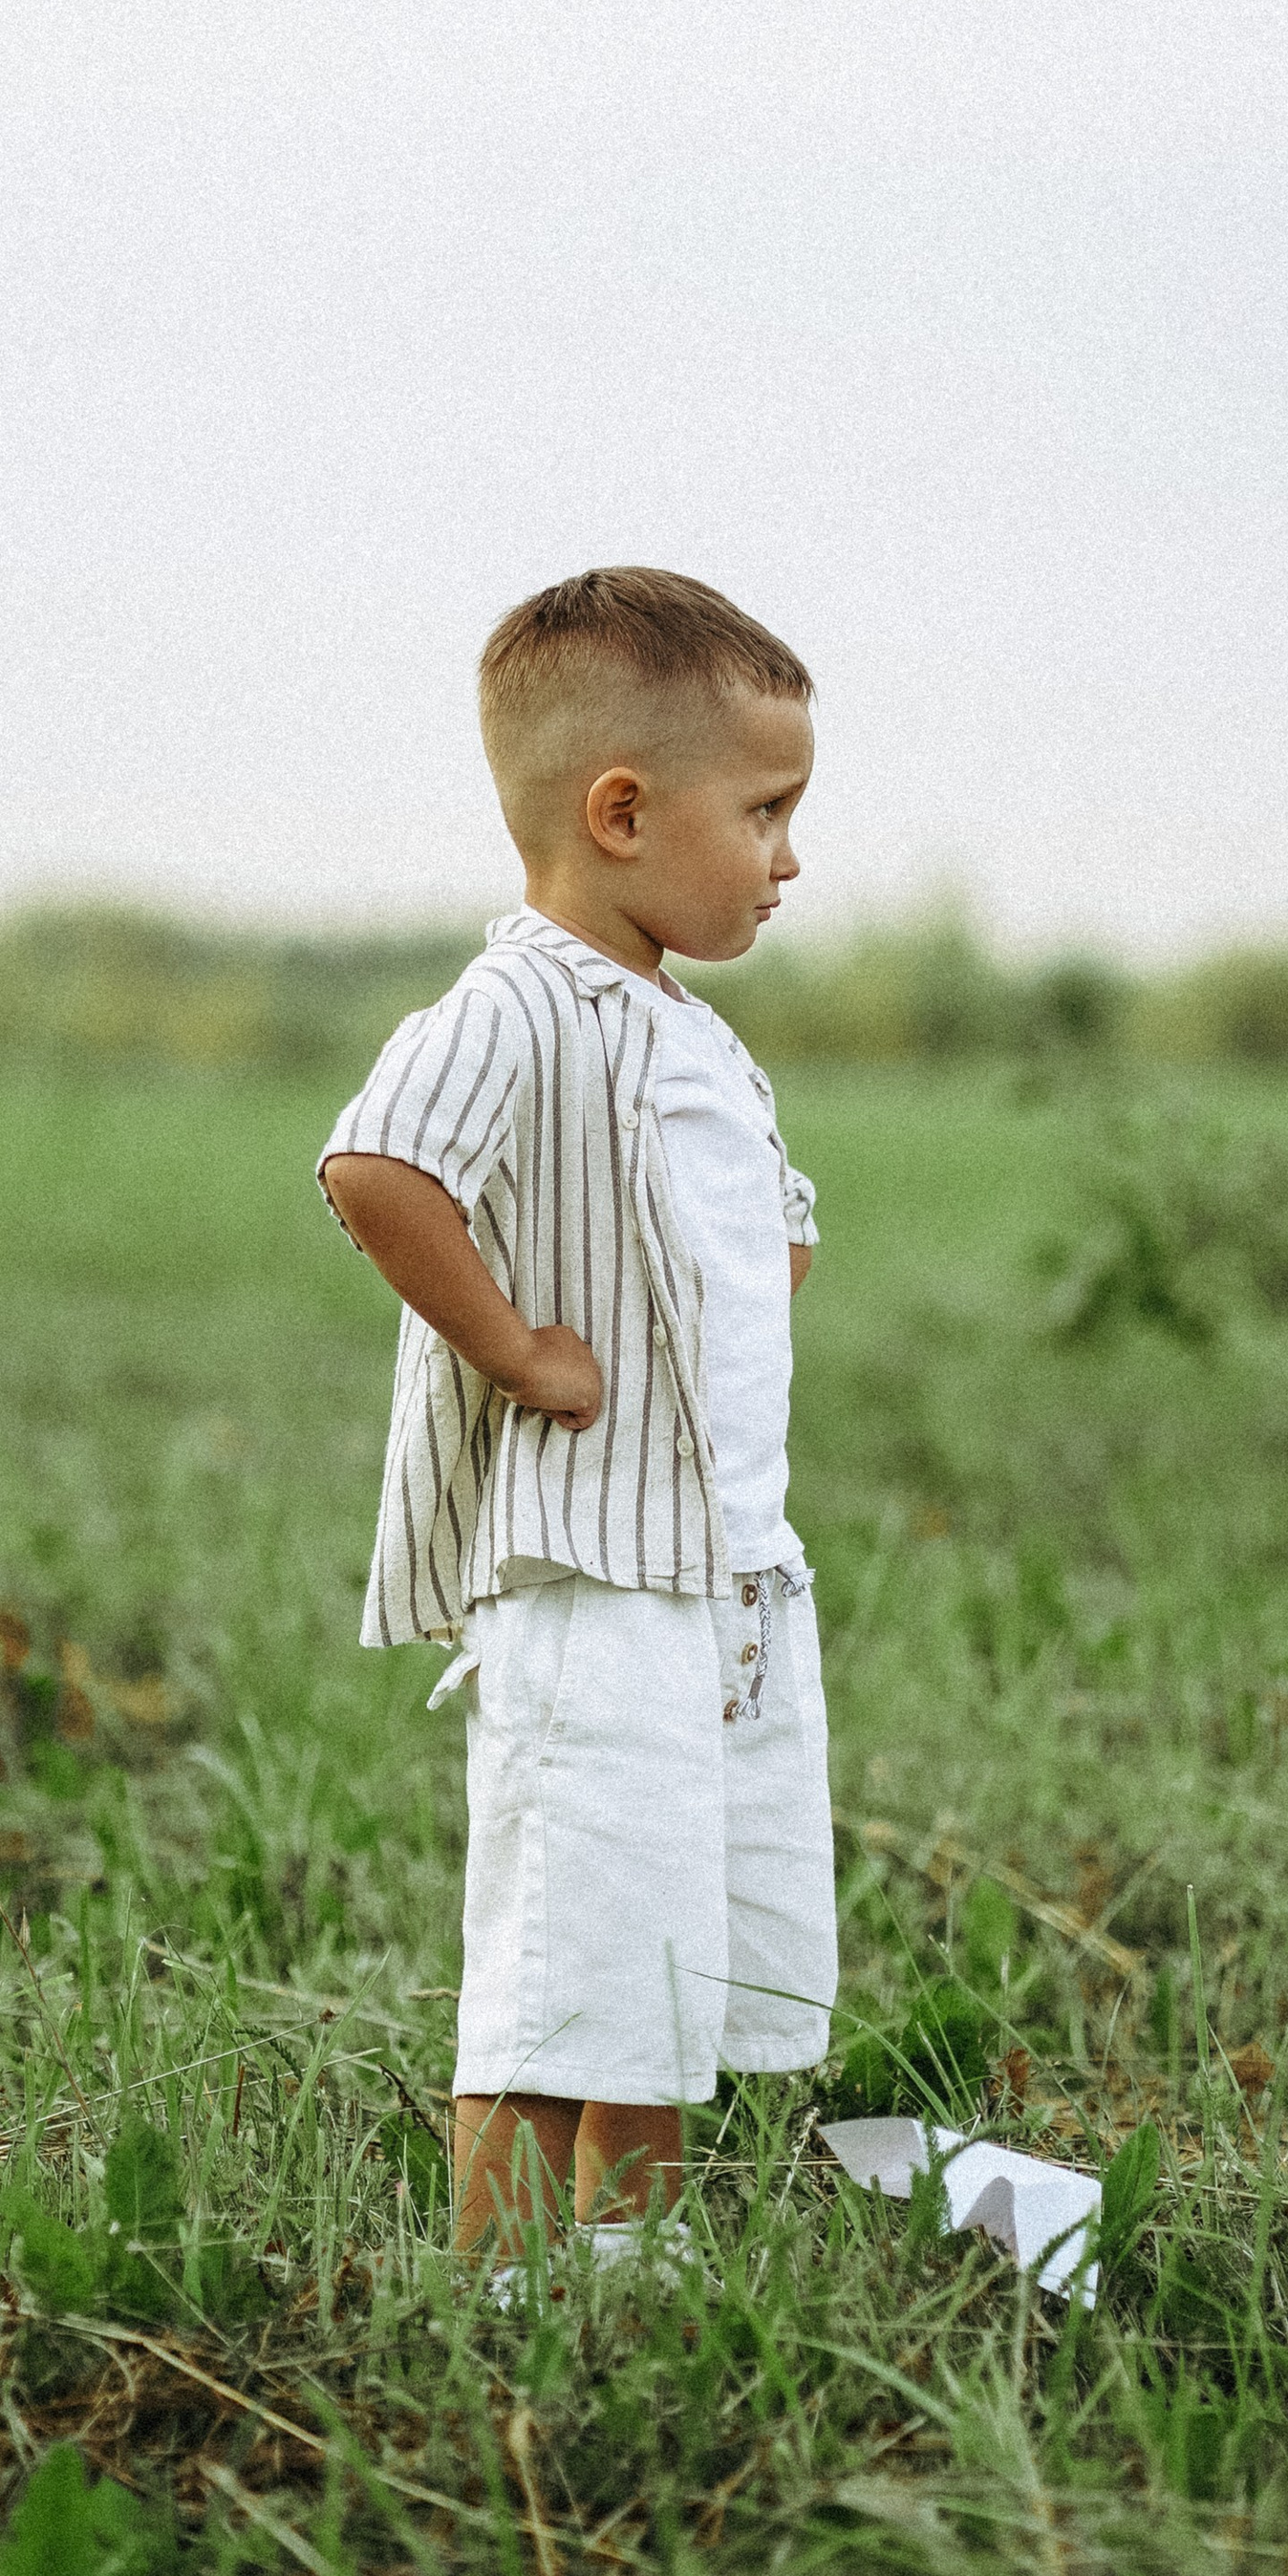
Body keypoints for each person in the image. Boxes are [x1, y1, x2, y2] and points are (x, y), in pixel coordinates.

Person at [319, 565, 836, 2260]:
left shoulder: (691, 1030)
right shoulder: (518, 1004)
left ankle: (633, 2272)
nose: (787, 858)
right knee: (563, 1965)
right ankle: (502, 2306)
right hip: (591, 1582)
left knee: (665, 1961)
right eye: (763, 813)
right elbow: (380, 1165)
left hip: (727, 1578)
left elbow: (764, 1236)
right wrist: (518, 1350)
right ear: (621, 812)